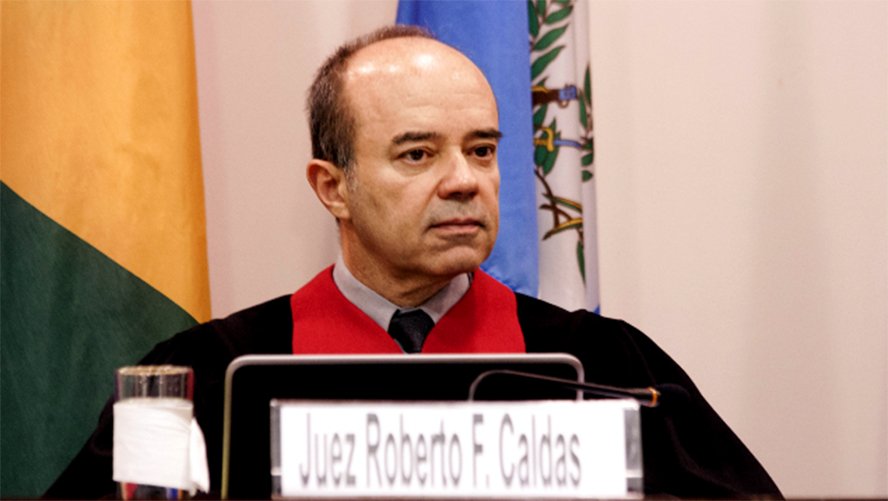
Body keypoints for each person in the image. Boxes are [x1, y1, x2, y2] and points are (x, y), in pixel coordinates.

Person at [46, 25, 781, 499]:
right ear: (332, 187)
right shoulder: (207, 378)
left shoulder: (605, 367)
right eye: (418, 154)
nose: (464, 180)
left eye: (482, 150)